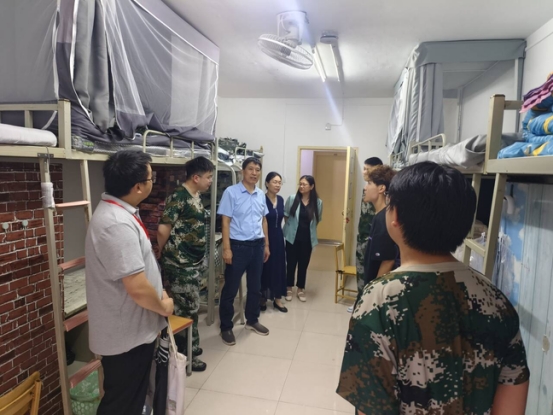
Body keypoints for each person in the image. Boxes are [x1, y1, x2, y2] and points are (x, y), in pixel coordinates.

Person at [337, 161, 530, 415]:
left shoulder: (379, 301)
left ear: (395, 217)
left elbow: (371, 405)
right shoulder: (497, 301)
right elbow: (512, 401)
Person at [85, 150, 174, 415]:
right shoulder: (116, 224)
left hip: (132, 331)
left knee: (132, 401)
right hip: (125, 339)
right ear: (138, 187)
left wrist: (160, 290)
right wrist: (163, 306)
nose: (153, 182)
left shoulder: (122, 212)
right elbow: (136, 288)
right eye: (150, 178)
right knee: (121, 404)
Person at [157, 156, 214, 372]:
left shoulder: (195, 196)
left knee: (191, 306)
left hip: (192, 262)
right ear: (196, 178)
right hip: (180, 264)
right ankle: (187, 353)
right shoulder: (179, 197)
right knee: (186, 310)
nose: (210, 181)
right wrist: (165, 252)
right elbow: (163, 229)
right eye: (208, 177)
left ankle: (190, 346)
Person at [218, 157, 271, 345]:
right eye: (250, 169)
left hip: (257, 245)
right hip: (238, 246)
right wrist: (227, 249)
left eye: (257, 169)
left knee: (255, 287)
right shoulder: (231, 192)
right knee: (231, 288)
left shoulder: (261, 194)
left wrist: (266, 245)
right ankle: (226, 327)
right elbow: (225, 221)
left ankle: (252, 320)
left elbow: (264, 220)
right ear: (243, 171)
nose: (254, 173)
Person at [348, 157, 383, 313]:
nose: (364, 172)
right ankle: (360, 301)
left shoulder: (382, 190)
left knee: (371, 273)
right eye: (364, 168)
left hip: (374, 239)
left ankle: (367, 304)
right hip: (362, 237)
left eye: (367, 169)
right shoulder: (367, 189)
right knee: (360, 271)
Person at [358, 165, 397, 302]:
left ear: (381, 188)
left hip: (377, 291)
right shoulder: (379, 215)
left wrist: (373, 294)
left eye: (369, 183)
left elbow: (388, 261)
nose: (365, 188)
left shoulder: (383, 219)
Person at [283, 175, 323, 302]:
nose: (301, 186)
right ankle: (289, 287)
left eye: (304, 184)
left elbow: (317, 220)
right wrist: (291, 229)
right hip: (292, 238)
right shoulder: (292, 199)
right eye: (300, 184)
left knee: (303, 264)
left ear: (311, 186)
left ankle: (300, 288)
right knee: (290, 263)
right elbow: (286, 215)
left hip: (307, 239)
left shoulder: (318, 202)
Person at [260, 172, 288, 313]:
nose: (277, 185)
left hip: (278, 237)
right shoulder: (261, 199)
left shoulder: (281, 200)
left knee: (279, 267)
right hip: (264, 237)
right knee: (265, 267)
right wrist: (266, 243)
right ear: (267, 183)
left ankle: (277, 298)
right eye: (274, 182)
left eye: (279, 182)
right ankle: (263, 297)